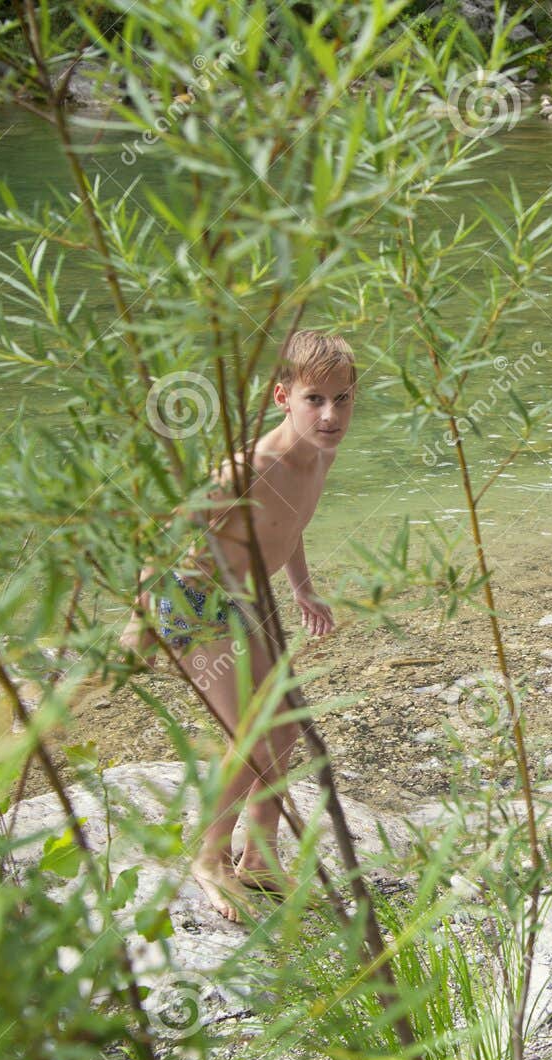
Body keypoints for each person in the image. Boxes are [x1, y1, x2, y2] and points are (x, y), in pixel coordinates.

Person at [121, 330, 354, 921]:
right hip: (191, 600)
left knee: (285, 730)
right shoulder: (248, 467)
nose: (330, 415)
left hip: (241, 602)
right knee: (252, 731)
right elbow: (167, 540)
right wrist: (136, 624)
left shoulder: (321, 456)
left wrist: (302, 588)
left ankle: (261, 856)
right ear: (283, 396)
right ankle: (209, 856)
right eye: (314, 399)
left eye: (343, 399)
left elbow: (292, 525)